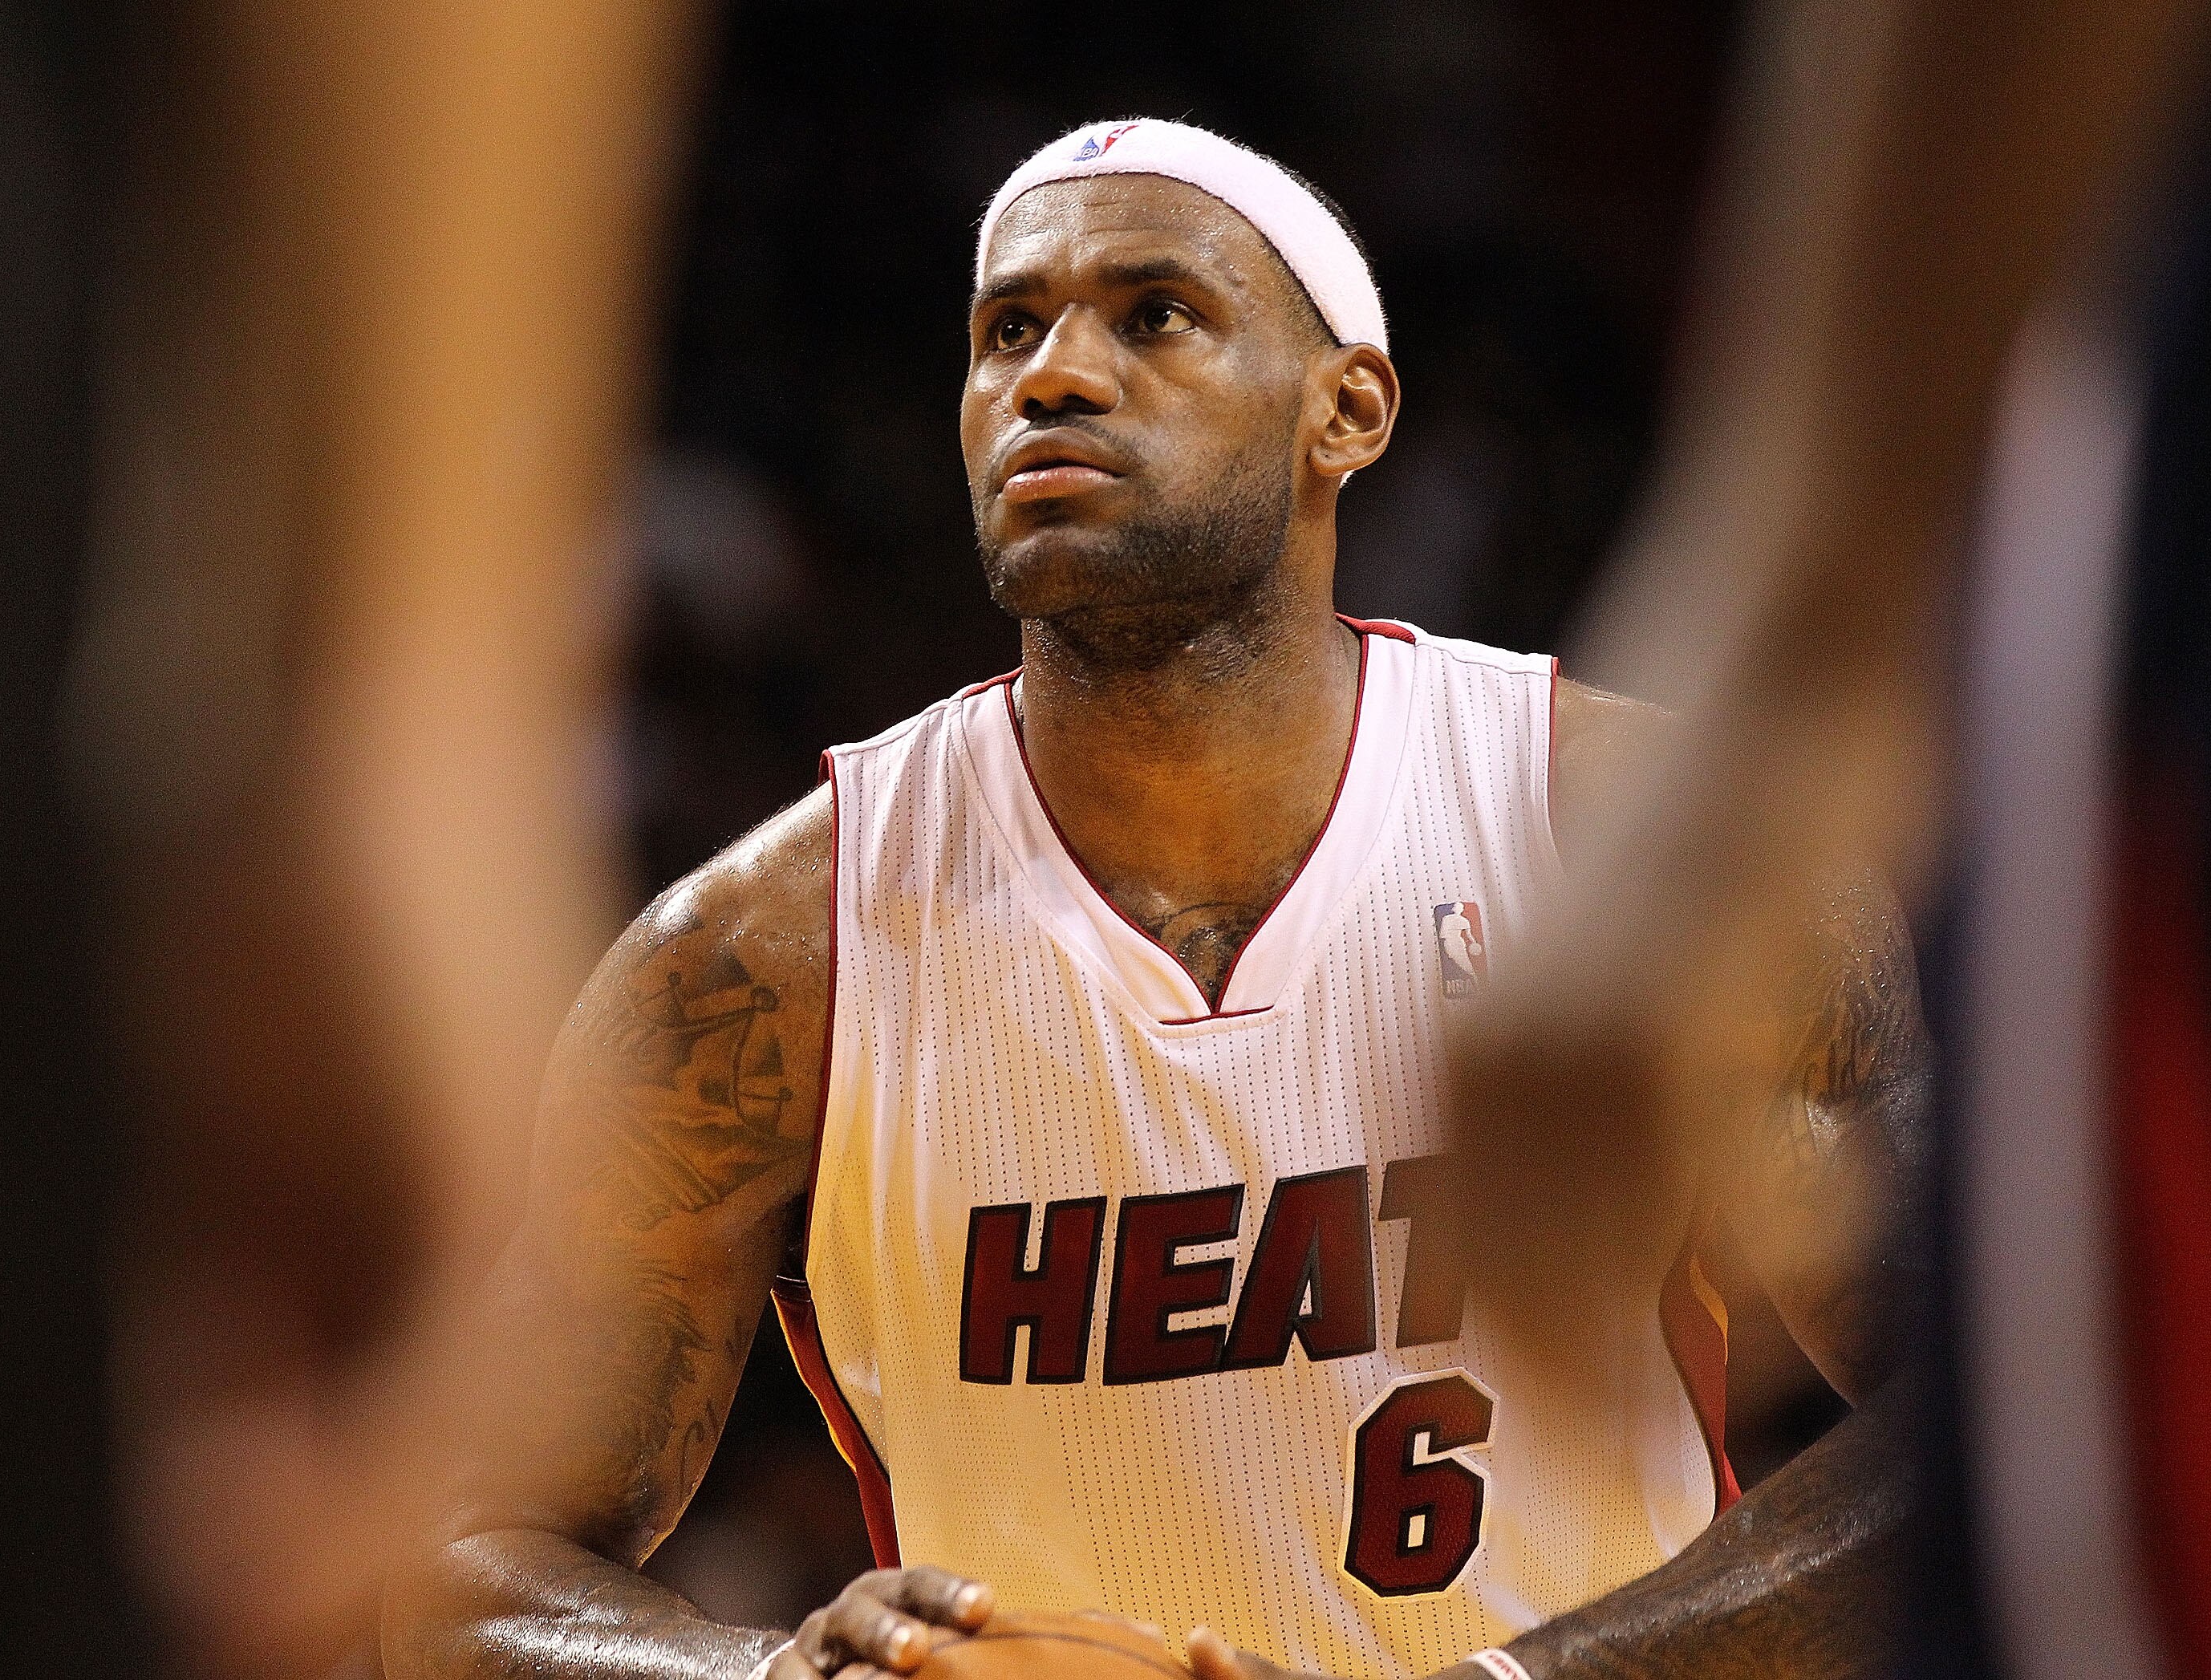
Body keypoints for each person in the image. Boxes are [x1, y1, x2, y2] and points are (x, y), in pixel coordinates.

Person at [382, 121, 1928, 1680]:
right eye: (1007, 330)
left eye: (1155, 315)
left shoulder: (1622, 849)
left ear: (1349, 410)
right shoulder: (762, 964)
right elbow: (461, 1568)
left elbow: (1977, 1422)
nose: (1052, 376)